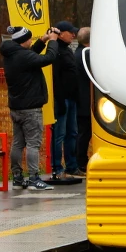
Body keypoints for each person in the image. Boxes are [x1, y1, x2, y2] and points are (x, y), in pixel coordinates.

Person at [0, 25, 61, 190]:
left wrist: (43, 40)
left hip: (16, 107)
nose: (31, 41)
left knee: (18, 144)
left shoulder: (12, 53)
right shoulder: (23, 56)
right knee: (33, 143)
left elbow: (31, 54)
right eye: (30, 39)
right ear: (23, 41)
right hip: (31, 109)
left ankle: (18, 177)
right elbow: (48, 58)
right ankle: (34, 178)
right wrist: (53, 42)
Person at [50, 20, 79, 179]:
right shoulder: (56, 52)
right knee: (59, 134)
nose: (73, 35)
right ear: (60, 33)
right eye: (70, 32)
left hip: (72, 98)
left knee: (72, 133)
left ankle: (72, 165)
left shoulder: (68, 50)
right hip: (62, 99)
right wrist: (59, 100)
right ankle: (56, 167)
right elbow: (56, 78)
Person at [72, 26, 92, 176]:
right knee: (84, 133)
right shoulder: (86, 55)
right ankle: (81, 162)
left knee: (82, 132)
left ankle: (80, 161)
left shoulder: (77, 54)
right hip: (86, 100)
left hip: (80, 99)